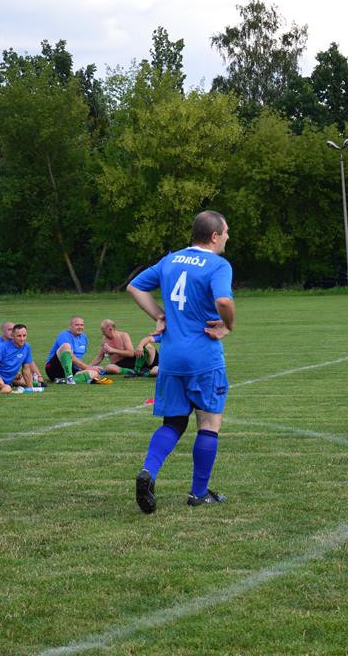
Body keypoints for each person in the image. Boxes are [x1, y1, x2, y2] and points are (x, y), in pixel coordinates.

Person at [128, 210, 235, 513]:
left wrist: (159, 315)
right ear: (214, 236)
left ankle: (149, 470)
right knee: (209, 422)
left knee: (174, 421)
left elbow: (135, 286)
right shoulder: (218, 264)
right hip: (203, 356)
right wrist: (229, 325)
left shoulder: (170, 260)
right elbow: (224, 302)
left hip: (172, 356)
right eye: (226, 232)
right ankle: (198, 493)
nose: (228, 237)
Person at [43, 316, 111, 385]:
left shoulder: (84, 337)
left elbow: (78, 358)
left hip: (71, 367)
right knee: (66, 346)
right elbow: (71, 356)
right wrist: (88, 367)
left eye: (82, 325)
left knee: (94, 373)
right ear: (70, 326)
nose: (80, 327)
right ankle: (69, 377)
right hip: (54, 368)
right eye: (77, 325)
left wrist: (89, 369)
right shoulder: (64, 335)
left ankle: (64, 380)